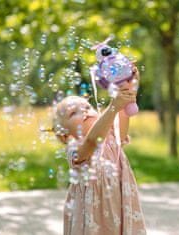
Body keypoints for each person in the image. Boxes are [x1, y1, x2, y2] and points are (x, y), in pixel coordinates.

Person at [52, 65, 147, 235]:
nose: (85, 112)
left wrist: (128, 87)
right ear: (64, 135)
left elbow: (122, 121)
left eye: (87, 107)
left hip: (120, 204)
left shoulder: (110, 133)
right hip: (94, 217)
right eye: (74, 112)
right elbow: (91, 142)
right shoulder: (74, 147)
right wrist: (112, 108)